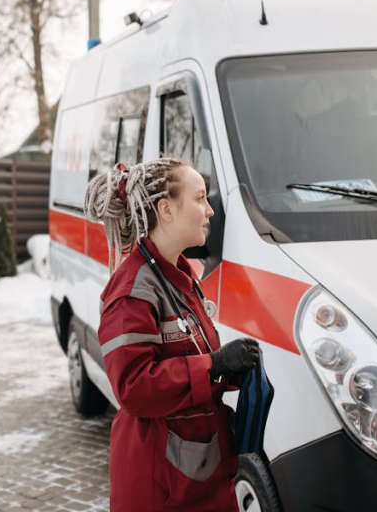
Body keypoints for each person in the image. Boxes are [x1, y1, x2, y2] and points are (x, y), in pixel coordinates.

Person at [84, 157, 260, 511]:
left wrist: (227, 372)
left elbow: (184, 360)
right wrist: (212, 365)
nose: (209, 211)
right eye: (199, 198)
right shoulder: (133, 291)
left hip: (195, 477)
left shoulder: (177, 277)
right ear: (166, 209)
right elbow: (134, 388)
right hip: (161, 489)